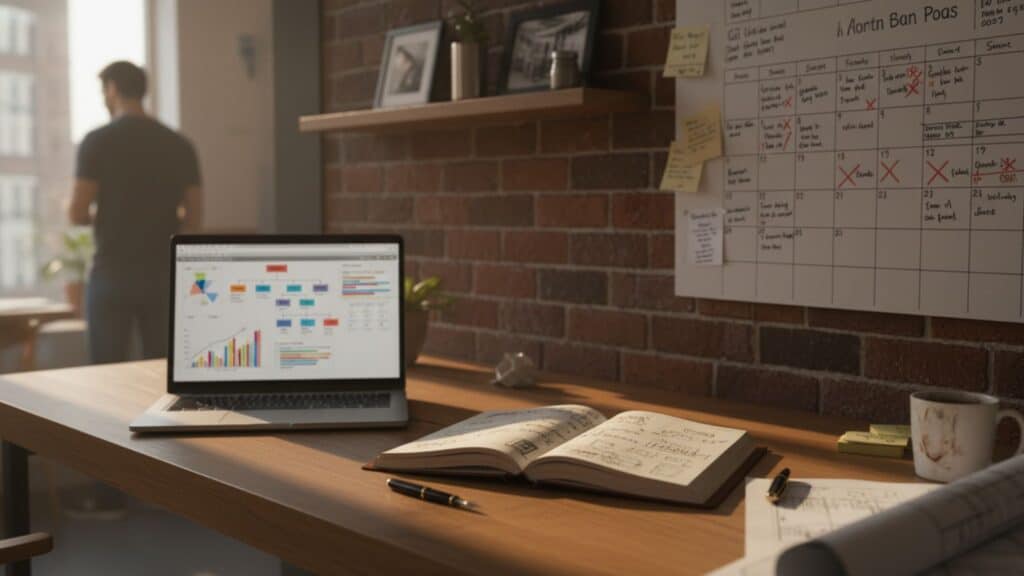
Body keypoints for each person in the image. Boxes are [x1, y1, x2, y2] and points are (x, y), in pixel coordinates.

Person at [69, 61, 202, 364]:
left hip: (112, 272)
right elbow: (195, 219)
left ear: (113, 89)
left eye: (104, 92)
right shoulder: (180, 145)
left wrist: (110, 215)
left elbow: (77, 213)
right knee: (160, 370)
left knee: (105, 371)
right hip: (163, 273)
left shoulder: (97, 141)